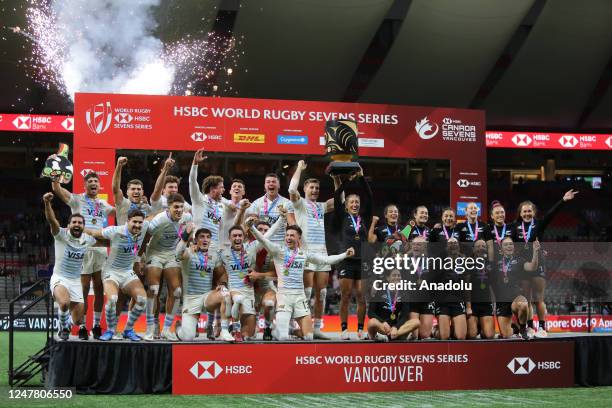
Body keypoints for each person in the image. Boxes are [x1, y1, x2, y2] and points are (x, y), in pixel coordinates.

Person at [249, 222, 354, 341]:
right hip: (284, 297)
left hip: (300, 297)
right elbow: (262, 240)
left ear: (299, 238)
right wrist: (251, 227)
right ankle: (277, 331)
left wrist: (345, 255)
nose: (288, 238)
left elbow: (326, 260)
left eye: (292, 235)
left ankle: (292, 330)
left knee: (309, 337)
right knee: (283, 338)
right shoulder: (278, 251)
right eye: (287, 235)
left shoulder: (304, 254)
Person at [51, 171, 114, 340]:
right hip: (83, 249)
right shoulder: (76, 199)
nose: (94, 183)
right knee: (84, 290)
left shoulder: (103, 205)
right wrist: (55, 176)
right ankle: (83, 327)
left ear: (99, 185)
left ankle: (96, 325)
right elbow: (57, 189)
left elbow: (121, 210)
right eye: (90, 181)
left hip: (100, 249)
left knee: (100, 289)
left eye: (96, 181)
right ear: (85, 185)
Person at [511, 189, 578, 338]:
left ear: (533, 212)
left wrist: (563, 200)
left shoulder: (539, 225)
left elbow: (551, 214)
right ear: (520, 213)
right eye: (524, 211)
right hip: (523, 266)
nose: (527, 213)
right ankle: (529, 327)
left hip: (538, 263)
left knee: (538, 299)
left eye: (530, 211)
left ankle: (542, 327)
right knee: (527, 299)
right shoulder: (514, 227)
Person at [288, 160, 340, 339]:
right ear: (305, 189)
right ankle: (301, 326)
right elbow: (291, 190)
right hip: (307, 254)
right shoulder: (300, 204)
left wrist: (336, 180)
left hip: (322, 254)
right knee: (306, 293)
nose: (315, 190)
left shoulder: (321, 206)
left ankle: (317, 327)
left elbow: (341, 199)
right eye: (311, 187)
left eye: (317, 188)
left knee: (322, 293)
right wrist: (299, 170)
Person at [86, 209, 150, 341]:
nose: (138, 225)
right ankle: (110, 331)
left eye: (140, 222)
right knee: (112, 300)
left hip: (127, 272)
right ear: (127, 221)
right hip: (111, 272)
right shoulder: (115, 230)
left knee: (142, 300)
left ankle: (128, 330)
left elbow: (155, 215)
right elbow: (93, 232)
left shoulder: (144, 228)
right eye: (134, 222)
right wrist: (75, 229)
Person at [43, 193, 97, 340]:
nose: (77, 225)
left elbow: (106, 242)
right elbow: (51, 220)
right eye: (74, 222)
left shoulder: (88, 239)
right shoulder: (61, 235)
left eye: (80, 223)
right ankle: (63, 328)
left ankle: (68, 324)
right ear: (68, 225)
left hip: (75, 281)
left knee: (79, 320)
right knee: (64, 303)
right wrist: (47, 203)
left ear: (84, 227)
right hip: (60, 278)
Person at [143, 193, 193, 341]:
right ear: (168, 208)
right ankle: (150, 328)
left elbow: (187, 237)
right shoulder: (158, 220)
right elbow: (146, 238)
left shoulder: (187, 218)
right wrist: (139, 258)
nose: (179, 210)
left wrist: (188, 245)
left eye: (181, 207)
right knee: (154, 289)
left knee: (177, 291)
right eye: (175, 207)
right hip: (155, 253)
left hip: (172, 253)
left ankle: (166, 329)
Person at [112, 156, 151, 339]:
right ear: (127, 191)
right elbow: (114, 188)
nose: (136, 191)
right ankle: (115, 330)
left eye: (138, 189)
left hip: (137, 255)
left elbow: (148, 233)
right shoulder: (123, 204)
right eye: (132, 188)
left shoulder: (146, 209)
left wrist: (142, 257)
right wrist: (119, 166)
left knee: (138, 295)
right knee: (119, 296)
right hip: (120, 255)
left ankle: (129, 328)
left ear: (143, 191)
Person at [332, 167, 373, 340]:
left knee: (362, 297)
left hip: (362, 261)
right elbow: (336, 196)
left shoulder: (364, 218)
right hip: (347, 261)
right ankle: (343, 329)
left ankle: (361, 329)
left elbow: (369, 197)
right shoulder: (342, 217)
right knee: (346, 296)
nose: (355, 204)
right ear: (347, 205)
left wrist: (362, 179)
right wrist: (348, 181)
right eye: (351, 202)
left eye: (357, 202)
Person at [175, 225, 234, 342]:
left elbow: (221, 273)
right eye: (202, 237)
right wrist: (185, 236)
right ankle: (178, 328)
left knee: (225, 294)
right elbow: (178, 253)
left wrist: (222, 283)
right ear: (195, 240)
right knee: (187, 337)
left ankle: (225, 330)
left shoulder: (214, 256)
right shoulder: (189, 253)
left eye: (208, 237)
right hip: (191, 298)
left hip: (207, 296)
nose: (205, 239)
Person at [494, 237, 540, 340]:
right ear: (501, 249)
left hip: (516, 296)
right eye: (506, 245)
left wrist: (536, 252)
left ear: (513, 247)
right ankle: (515, 328)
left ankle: (523, 330)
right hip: (501, 301)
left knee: (523, 304)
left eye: (510, 244)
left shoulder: (519, 260)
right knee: (506, 335)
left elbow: (532, 267)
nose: (509, 246)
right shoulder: (495, 262)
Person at [367, 269, 419, 341]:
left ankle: (393, 335)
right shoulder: (379, 291)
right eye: (394, 275)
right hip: (381, 326)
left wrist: (395, 327)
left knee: (416, 322)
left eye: (399, 275)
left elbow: (405, 315)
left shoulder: (403, 294)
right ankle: (383, 336)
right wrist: (383, 322)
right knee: (372, 322)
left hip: (395, 328)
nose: (397, 277)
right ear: (388, 278)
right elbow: (370, 313)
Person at [434, 238, 467, 340]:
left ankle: (453, 328)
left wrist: (468, 306)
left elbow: (467, 284)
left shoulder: (465, 261)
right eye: (450, 243)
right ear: (446, 247)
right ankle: (434, 331)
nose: (453, 245)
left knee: (461, 336)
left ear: (459, 246)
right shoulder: (439, 261)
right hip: (443, 301)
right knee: (444, 336)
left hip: (458, 301)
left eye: (455, 243)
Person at [407, 237, 436, 339]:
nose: (415, 246)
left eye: (419, 245)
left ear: (425, 247)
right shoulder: (406, 260)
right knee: (414, 336)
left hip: (427, 299)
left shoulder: (432, 261)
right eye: (414, 244)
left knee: (424, 335)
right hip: (412, 300)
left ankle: (435, 329)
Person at [466, 239, 495, 339]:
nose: (481, 249)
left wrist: (494, 303)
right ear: (473, 249)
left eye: (483, 246)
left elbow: (493, 285)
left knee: (489, 335)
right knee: (471, 335)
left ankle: (481, 327)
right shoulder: (468, 263)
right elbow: (466, 286)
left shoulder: (490, 265)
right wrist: (468, 306)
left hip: (486, 304)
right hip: (472, 304)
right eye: (478, 247)